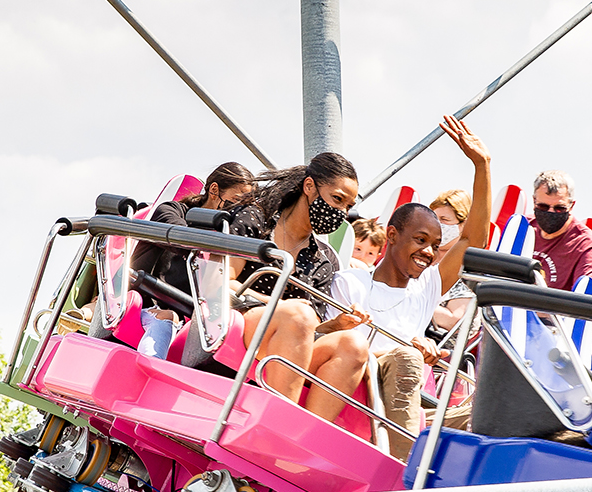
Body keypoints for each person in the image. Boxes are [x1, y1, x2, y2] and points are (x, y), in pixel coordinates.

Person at [331, 118, 491, 453]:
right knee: (406, 359)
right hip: (355, 403)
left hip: (401, 407)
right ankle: (404, 476)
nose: (428, 252)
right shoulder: (351, 282)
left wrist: (482, 165)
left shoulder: (425, 288)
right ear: (391, 236)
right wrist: (406, 352)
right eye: (420, 240)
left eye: (434, 244)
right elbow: (343, 351)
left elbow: (474, 240)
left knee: (487, 413)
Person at [222, 152, 374, 424]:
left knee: (354, 344)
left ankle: (306, 434)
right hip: (237, 318)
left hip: (289, 338)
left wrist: (336, 325)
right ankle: (281, 425)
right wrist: (278, 307)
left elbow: (309, 329)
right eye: (337, 199)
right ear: (309, 187)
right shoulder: (257, 220)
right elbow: (224, 284)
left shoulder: (324, 258)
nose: (341, 213)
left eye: (348, 207)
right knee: (297, 315)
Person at [129, 162, 257, 356]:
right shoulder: (173, 211)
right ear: (214, 190)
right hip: (148, 303)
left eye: (243, 206)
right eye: (235, 201)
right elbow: (176, 233)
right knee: (167, 319)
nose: (237, 211)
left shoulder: (229, 233)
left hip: (194, 317)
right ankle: (148, 369)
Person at [529, 170, 592, 289]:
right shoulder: (522, 228)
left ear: (571, 206)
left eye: (559, 208)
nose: (551, 212)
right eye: (543, 206)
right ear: (534, 202)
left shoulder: (585, 245)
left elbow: (585, 296)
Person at [428, 188, 476, 332]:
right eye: (434, 219)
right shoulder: (422, 258)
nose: (437, 224)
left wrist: (409, 300)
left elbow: (453, 320)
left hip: (438, 345)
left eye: (444, 220)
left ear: (463, 225)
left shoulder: (467, 270)